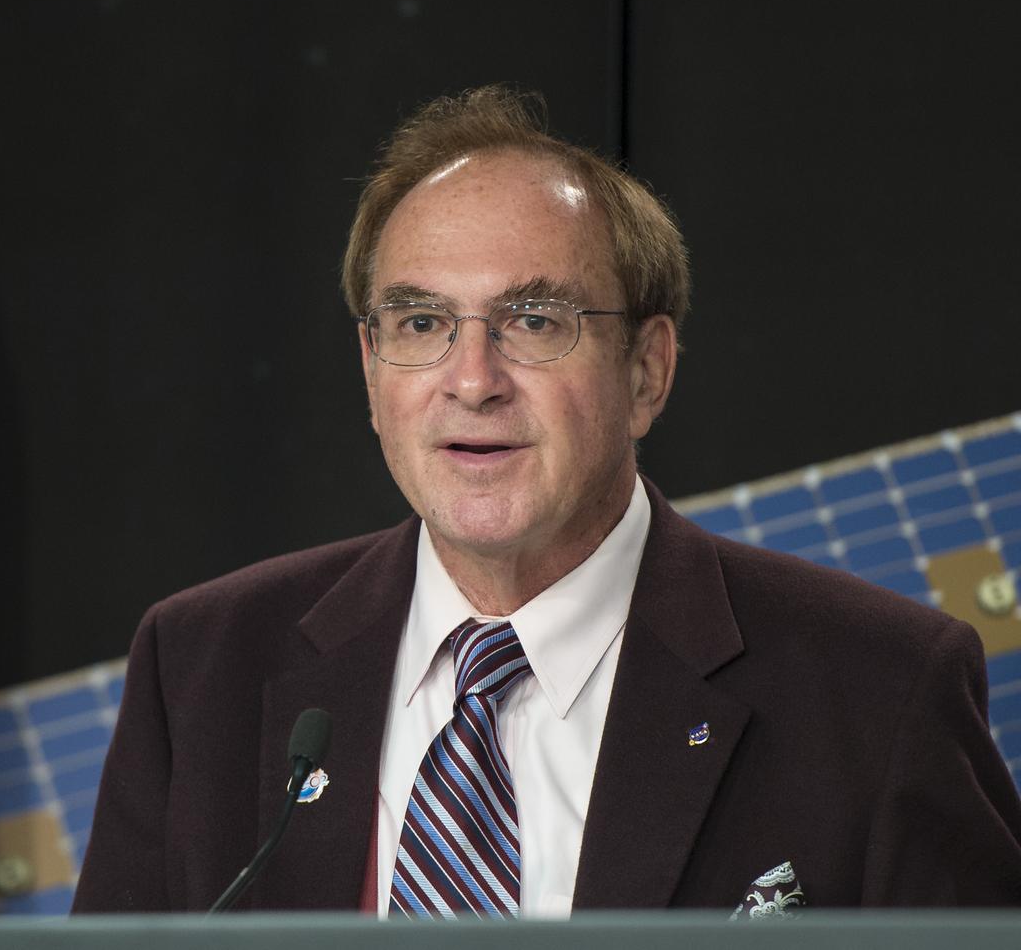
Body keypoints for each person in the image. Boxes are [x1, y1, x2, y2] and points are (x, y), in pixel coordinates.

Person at [72, 86, 1021, 915]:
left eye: (534, 320)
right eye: (421, 322)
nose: (473, 379)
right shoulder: (202, 668)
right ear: (371, 371)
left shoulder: (878, 690)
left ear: (648, 371)